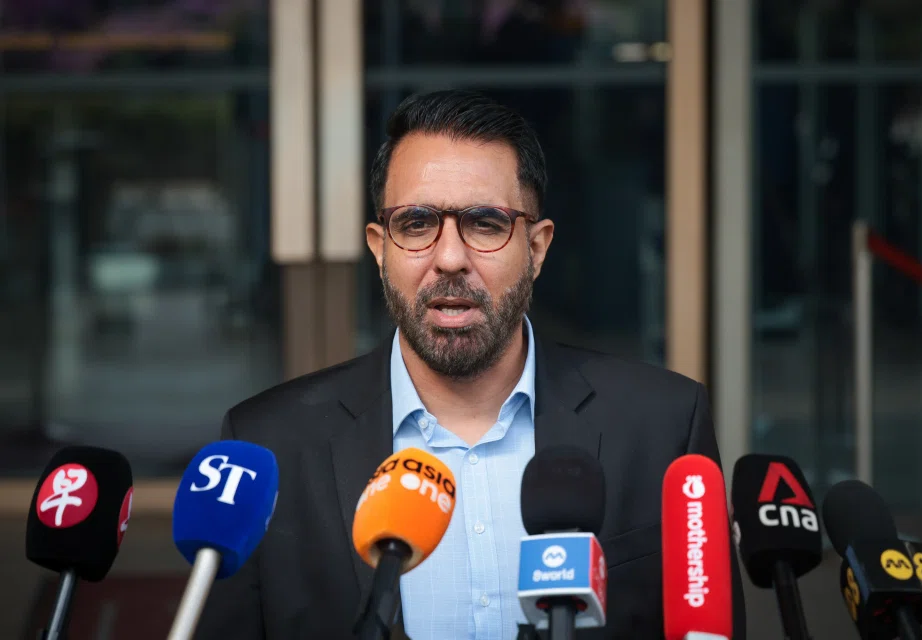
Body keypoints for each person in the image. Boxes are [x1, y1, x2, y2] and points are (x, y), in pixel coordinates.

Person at [196, 89, 746, 639]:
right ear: (380, 247)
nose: (450, 258)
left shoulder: (663, 426)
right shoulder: (266, 450)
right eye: (416, 223)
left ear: (536, 248)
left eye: (485, 223)